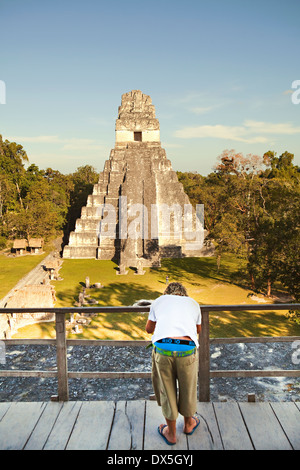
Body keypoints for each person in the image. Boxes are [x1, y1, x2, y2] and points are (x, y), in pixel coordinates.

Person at [145, 282, 201, 445]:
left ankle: (171, 433)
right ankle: (189, 424)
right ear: (184, 294)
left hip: (164, 351)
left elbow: (149, 329)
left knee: (166, 390)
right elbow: (198, 330)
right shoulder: (194, 304)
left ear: (166, 293)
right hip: (187, 351)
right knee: (188, 388)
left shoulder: (158, 301)